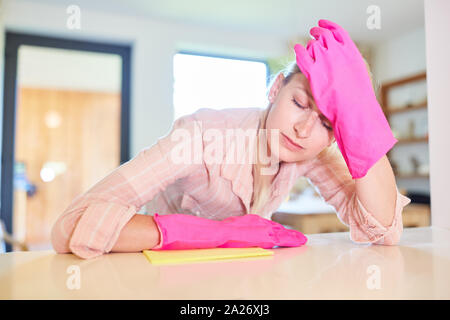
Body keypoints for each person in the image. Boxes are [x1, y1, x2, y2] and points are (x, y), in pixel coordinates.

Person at [51, 21, 411, 260]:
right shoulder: (202, 136)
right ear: (275, 89)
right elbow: (72, 225)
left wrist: (360, 119)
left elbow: (382, 231)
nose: (304, 129)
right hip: (157, 269)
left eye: (327, 123)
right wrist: (220, 233)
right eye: (299, 103)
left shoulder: (312, 149)